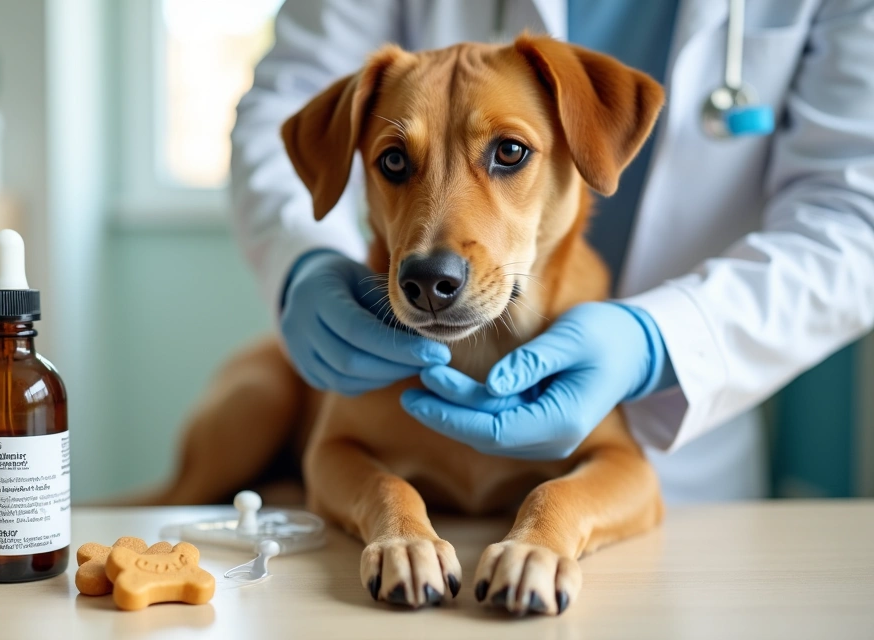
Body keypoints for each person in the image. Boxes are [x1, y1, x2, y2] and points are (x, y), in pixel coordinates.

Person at [230, 0, 874, 503]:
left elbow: (855, 211)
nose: (435, 253)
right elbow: (294, 93)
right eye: (395, 161)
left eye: (507, 153)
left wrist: (661, 344)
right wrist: (303, 261)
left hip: (685, 454)